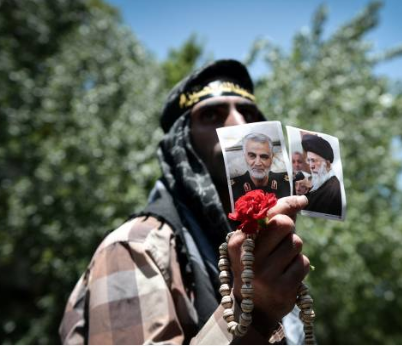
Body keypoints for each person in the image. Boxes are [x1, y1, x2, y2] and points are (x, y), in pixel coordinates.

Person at [59, 60, 310, 344]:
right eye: (212, 115)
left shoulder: (264, 246)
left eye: (248, 113)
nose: (239, 124)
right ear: (183, 143)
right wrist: (253, 311)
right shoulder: (137, 247)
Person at [230, 133, 290, 204]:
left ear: (272, 157)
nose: (257, 163)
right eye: (252, 156)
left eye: (264, 157)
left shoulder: (286, 183)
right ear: (245, 157)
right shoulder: (233, 187)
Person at [302, 134, 342, 216]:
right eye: (309, 161)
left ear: (327, 164)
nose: (311, 166)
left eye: (314, 160)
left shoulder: (332, 189)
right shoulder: (319, 185)